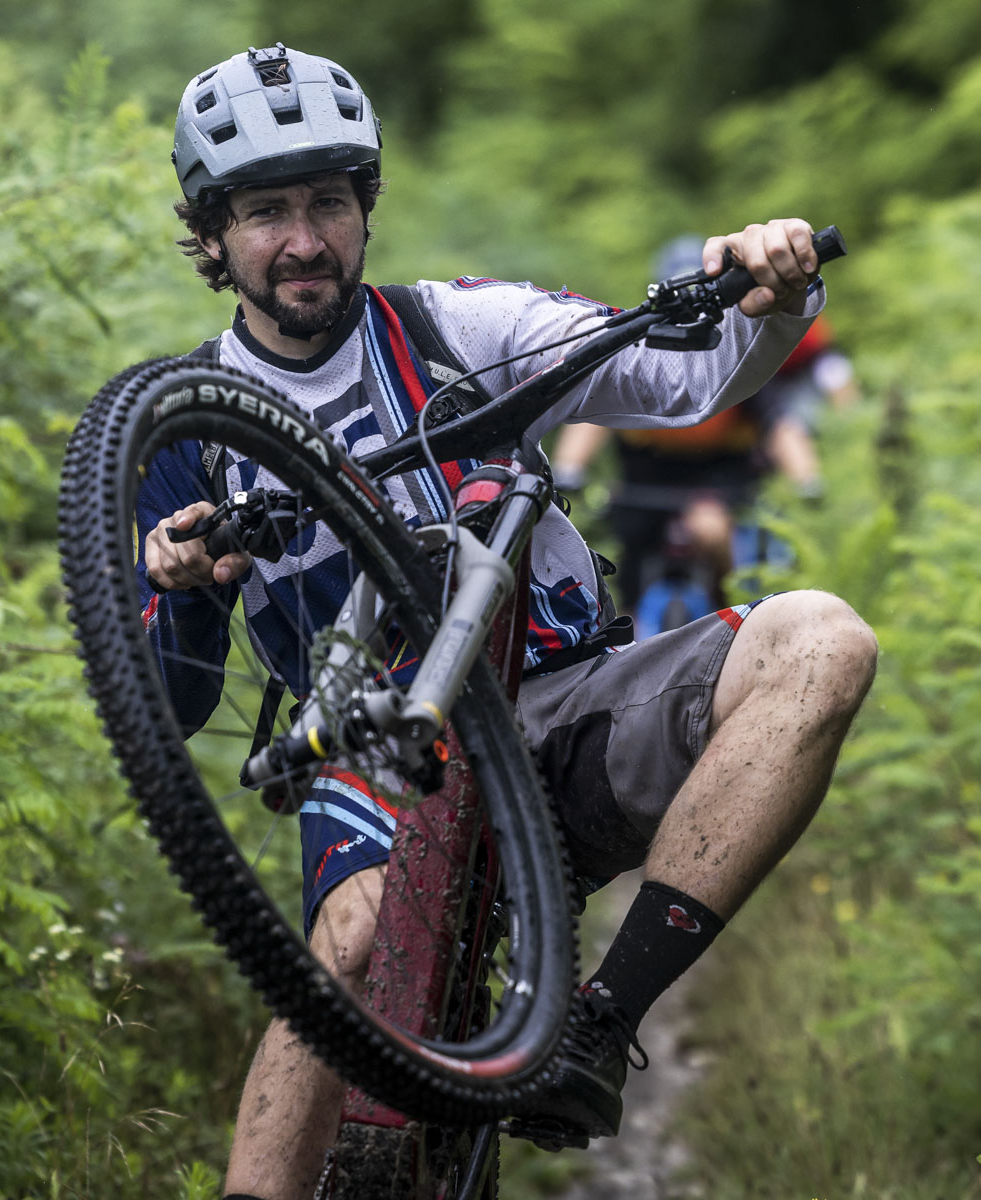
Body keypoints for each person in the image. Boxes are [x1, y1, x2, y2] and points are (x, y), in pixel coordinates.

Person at [141, 44, 877, 1200]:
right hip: (374, 751)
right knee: (349, 947)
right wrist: (177, 589)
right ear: (212, 232)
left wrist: (769, 290)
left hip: (566, 705)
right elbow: (174, 704)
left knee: (825, 639)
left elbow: (687, 381)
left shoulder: (457, 330)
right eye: (267, 210)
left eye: (328, 201)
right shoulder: (180, 421)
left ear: (364, 205)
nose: (303, 238)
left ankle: (596, 1027)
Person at [550, 235, 859, 630]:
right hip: (645, 481)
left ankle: (734, 612)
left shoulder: (732, 364)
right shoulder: (639, 347)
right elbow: (596, 413)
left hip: (719, 479)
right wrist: (568, 468)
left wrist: (806, 478)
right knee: (618, 570)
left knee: (711, 531)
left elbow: (780, 424)